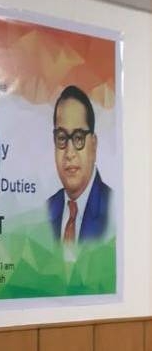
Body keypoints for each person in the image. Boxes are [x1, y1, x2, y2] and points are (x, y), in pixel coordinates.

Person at [46, 85, 111, 243]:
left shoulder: (114, 209)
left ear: (93, 145)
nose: (69, 153)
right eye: (62, 137)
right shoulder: (45, 212)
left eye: (78, 138)